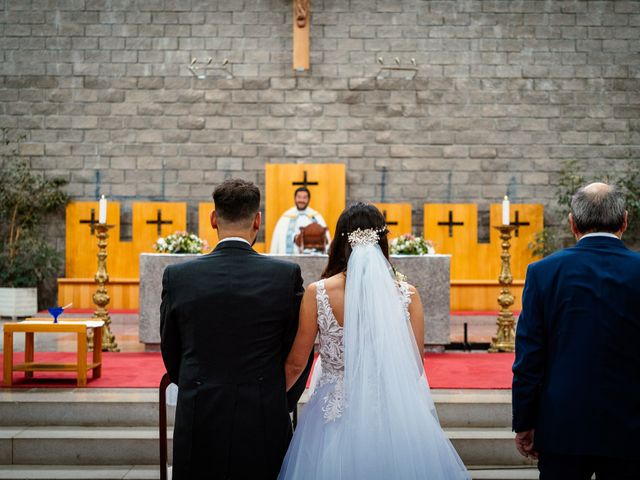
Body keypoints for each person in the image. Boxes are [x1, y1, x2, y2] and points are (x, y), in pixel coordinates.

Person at [278, 203, 469, 479]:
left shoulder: (317, 293)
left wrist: (271, 402)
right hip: (389, 412)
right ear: (382, 241)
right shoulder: (408, 295)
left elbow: (297, 363)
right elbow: (415, 367)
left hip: (332, 411)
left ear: (340, 242)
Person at [160, 179, 312, 480]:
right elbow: (297, 352)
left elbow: (171, 351)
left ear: (213, 219)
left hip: (199, 410)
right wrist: (273, 396)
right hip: (263, 412)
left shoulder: (178, 277)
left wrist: (199, 382)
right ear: (257, 220)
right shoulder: (284, 276)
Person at [512, 182, 640, 479]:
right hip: (632, 425)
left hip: (563, 424)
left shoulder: (543, 272)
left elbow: (530, 356)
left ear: (572, 223)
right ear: (625, 220)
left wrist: (525, 421)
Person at [270, 186, 331, 254]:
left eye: (304, 197)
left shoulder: (316, 217)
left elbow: (326, 241)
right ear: (295, 198)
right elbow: (276, 241)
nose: (301, 200)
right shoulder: (285, 217)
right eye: (299, 197)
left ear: (309, 199)